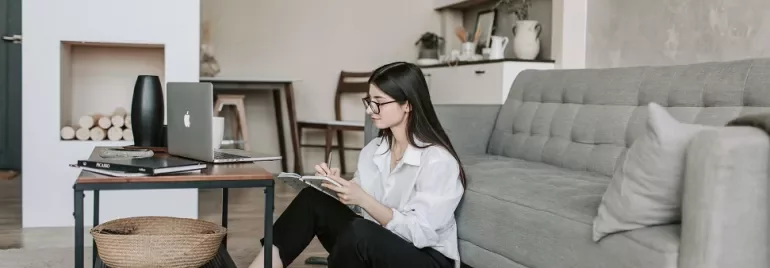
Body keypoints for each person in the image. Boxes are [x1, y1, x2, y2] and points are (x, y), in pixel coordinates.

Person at [249, 61, 466, 268]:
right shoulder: (375, 149)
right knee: (312, 199)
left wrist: (364, 199)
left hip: (425, 258)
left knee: (359, 231)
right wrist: (337, 188)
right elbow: (359, 208)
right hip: (380, 243)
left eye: (379, 102)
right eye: (369, 101)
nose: (370, 110)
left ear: (407, 104)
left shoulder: (437, 160)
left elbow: (421, 233)